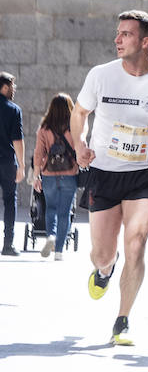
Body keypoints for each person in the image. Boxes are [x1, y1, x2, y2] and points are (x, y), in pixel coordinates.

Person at [71, 10, 148, 345]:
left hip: (146, 170)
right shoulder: (101, 76)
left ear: (145, 41)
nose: (117, 39)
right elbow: (79, 112)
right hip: (104, 171)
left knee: (137, 243)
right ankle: (104, 270)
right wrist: (80, 143)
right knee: (102, 252)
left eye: (126, 34)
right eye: (118, 33)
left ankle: (123, 319)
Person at [32, 93, 79, 260]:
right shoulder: (75, 127)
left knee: (50, 208)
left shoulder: (44, 128)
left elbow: (38, 154)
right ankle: (58, 251)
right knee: (64, 213)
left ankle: (51, 236)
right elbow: (81, 149)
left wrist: (36, 177)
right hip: (69, 174)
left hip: (49, 174)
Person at [0, 72, 24, 256]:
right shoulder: (13, 109)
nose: (14, 90)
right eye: (12, 86)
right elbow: (18, 140)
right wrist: (22, 165)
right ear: (5, 87)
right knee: (10, 202)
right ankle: (8, 245)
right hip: (7, 162)